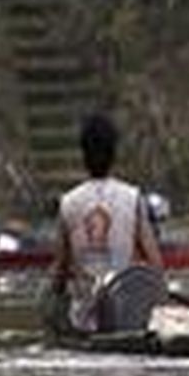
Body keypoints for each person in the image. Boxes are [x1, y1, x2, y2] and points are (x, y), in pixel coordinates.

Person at [50, 112, 164, 333]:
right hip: (126, 318)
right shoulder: (133, 198)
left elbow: (58, 278)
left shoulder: (67, 203)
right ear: (114, 154)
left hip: (84, 322)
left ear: (83, 155)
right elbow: (156, 269)